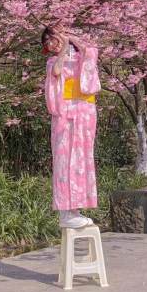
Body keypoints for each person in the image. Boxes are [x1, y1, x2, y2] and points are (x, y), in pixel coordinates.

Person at [42, 26, 100, 228]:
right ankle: (65, 212)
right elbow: (56, 71)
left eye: (53, 39)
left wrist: (70, 37)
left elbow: (90, 50)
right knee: (64, 160)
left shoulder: (81, 58)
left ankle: (75, 208)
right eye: (47, 42)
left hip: (83, 114)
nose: (51, 44)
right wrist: (65, 45)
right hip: (65, 116)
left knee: (81, 160)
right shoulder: (53, 62)